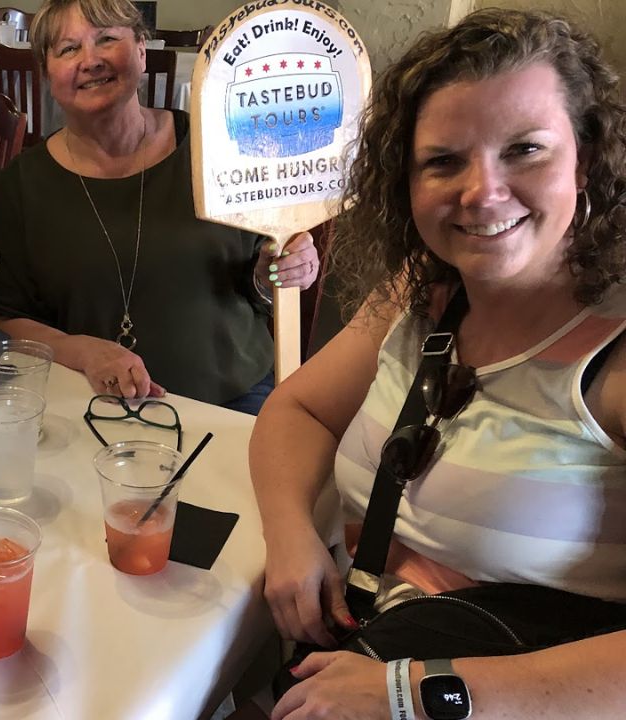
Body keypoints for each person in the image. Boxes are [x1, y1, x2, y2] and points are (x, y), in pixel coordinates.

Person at [250, 8, 626, 718]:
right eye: (444, 161)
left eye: (525, 150)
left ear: (589, 156)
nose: (481, 192)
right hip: (363, 656)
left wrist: (409, 695)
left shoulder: (611, 353)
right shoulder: (420, 293)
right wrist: (290, 531)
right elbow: (296, 409)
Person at [0, 0, 319, 414]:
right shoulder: (22, 183)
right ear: (47, 73)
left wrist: (276, 273)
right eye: (68, 49)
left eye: (107, 39)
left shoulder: (220, 149)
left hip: (233, 398)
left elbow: (261, 282)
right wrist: (84, 352)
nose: (91, 60)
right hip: (93, 403)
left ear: (141, 49)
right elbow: (6, 319)